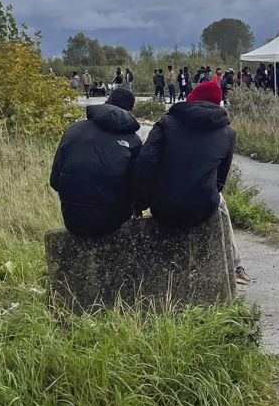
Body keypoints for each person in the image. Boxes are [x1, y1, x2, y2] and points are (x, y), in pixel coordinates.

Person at [133, 79, 248, 284]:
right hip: (203, 207)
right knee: (220, 201)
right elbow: (219, 180)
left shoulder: (166, 123)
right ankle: (235, 266)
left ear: (191, 100)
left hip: (163, 207)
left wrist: (140, 203)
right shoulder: (228, 133)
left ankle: (236, 267)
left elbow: (146, 163)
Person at [49, 87, 143, 237]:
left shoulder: (73, 131)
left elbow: (54, 181)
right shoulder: (133, 140)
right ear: (129, 111)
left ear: (107, 102)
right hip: (114, 222)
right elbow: (140, 189)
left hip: (73, 221)